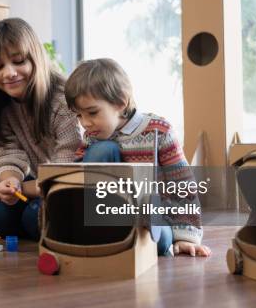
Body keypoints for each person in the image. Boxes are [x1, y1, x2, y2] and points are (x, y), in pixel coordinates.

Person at [64, 58, 211, 257]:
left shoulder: (159, 131)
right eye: (79, 116)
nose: (85, 123)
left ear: (120, 102)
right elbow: (78, 177)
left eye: (92, 112)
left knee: (160, 240)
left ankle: (138, 236)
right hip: (111, 213)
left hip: (153, 217)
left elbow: (183, 184)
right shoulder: (92, 137)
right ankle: (100, 231)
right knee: (101, 151)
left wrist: (186, 235)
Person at [0, 18, 82, 240]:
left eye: (19, 61)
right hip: (41, 183)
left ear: (35, 59)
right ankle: (49, 226)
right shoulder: (0, 105)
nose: (9, 73)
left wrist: (20, 189)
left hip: (74, 186)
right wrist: (10, 181)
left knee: (33, 218)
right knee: (0, 217)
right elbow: (7, 153)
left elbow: (65, 172)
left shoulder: (62, 100)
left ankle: (55, 226)